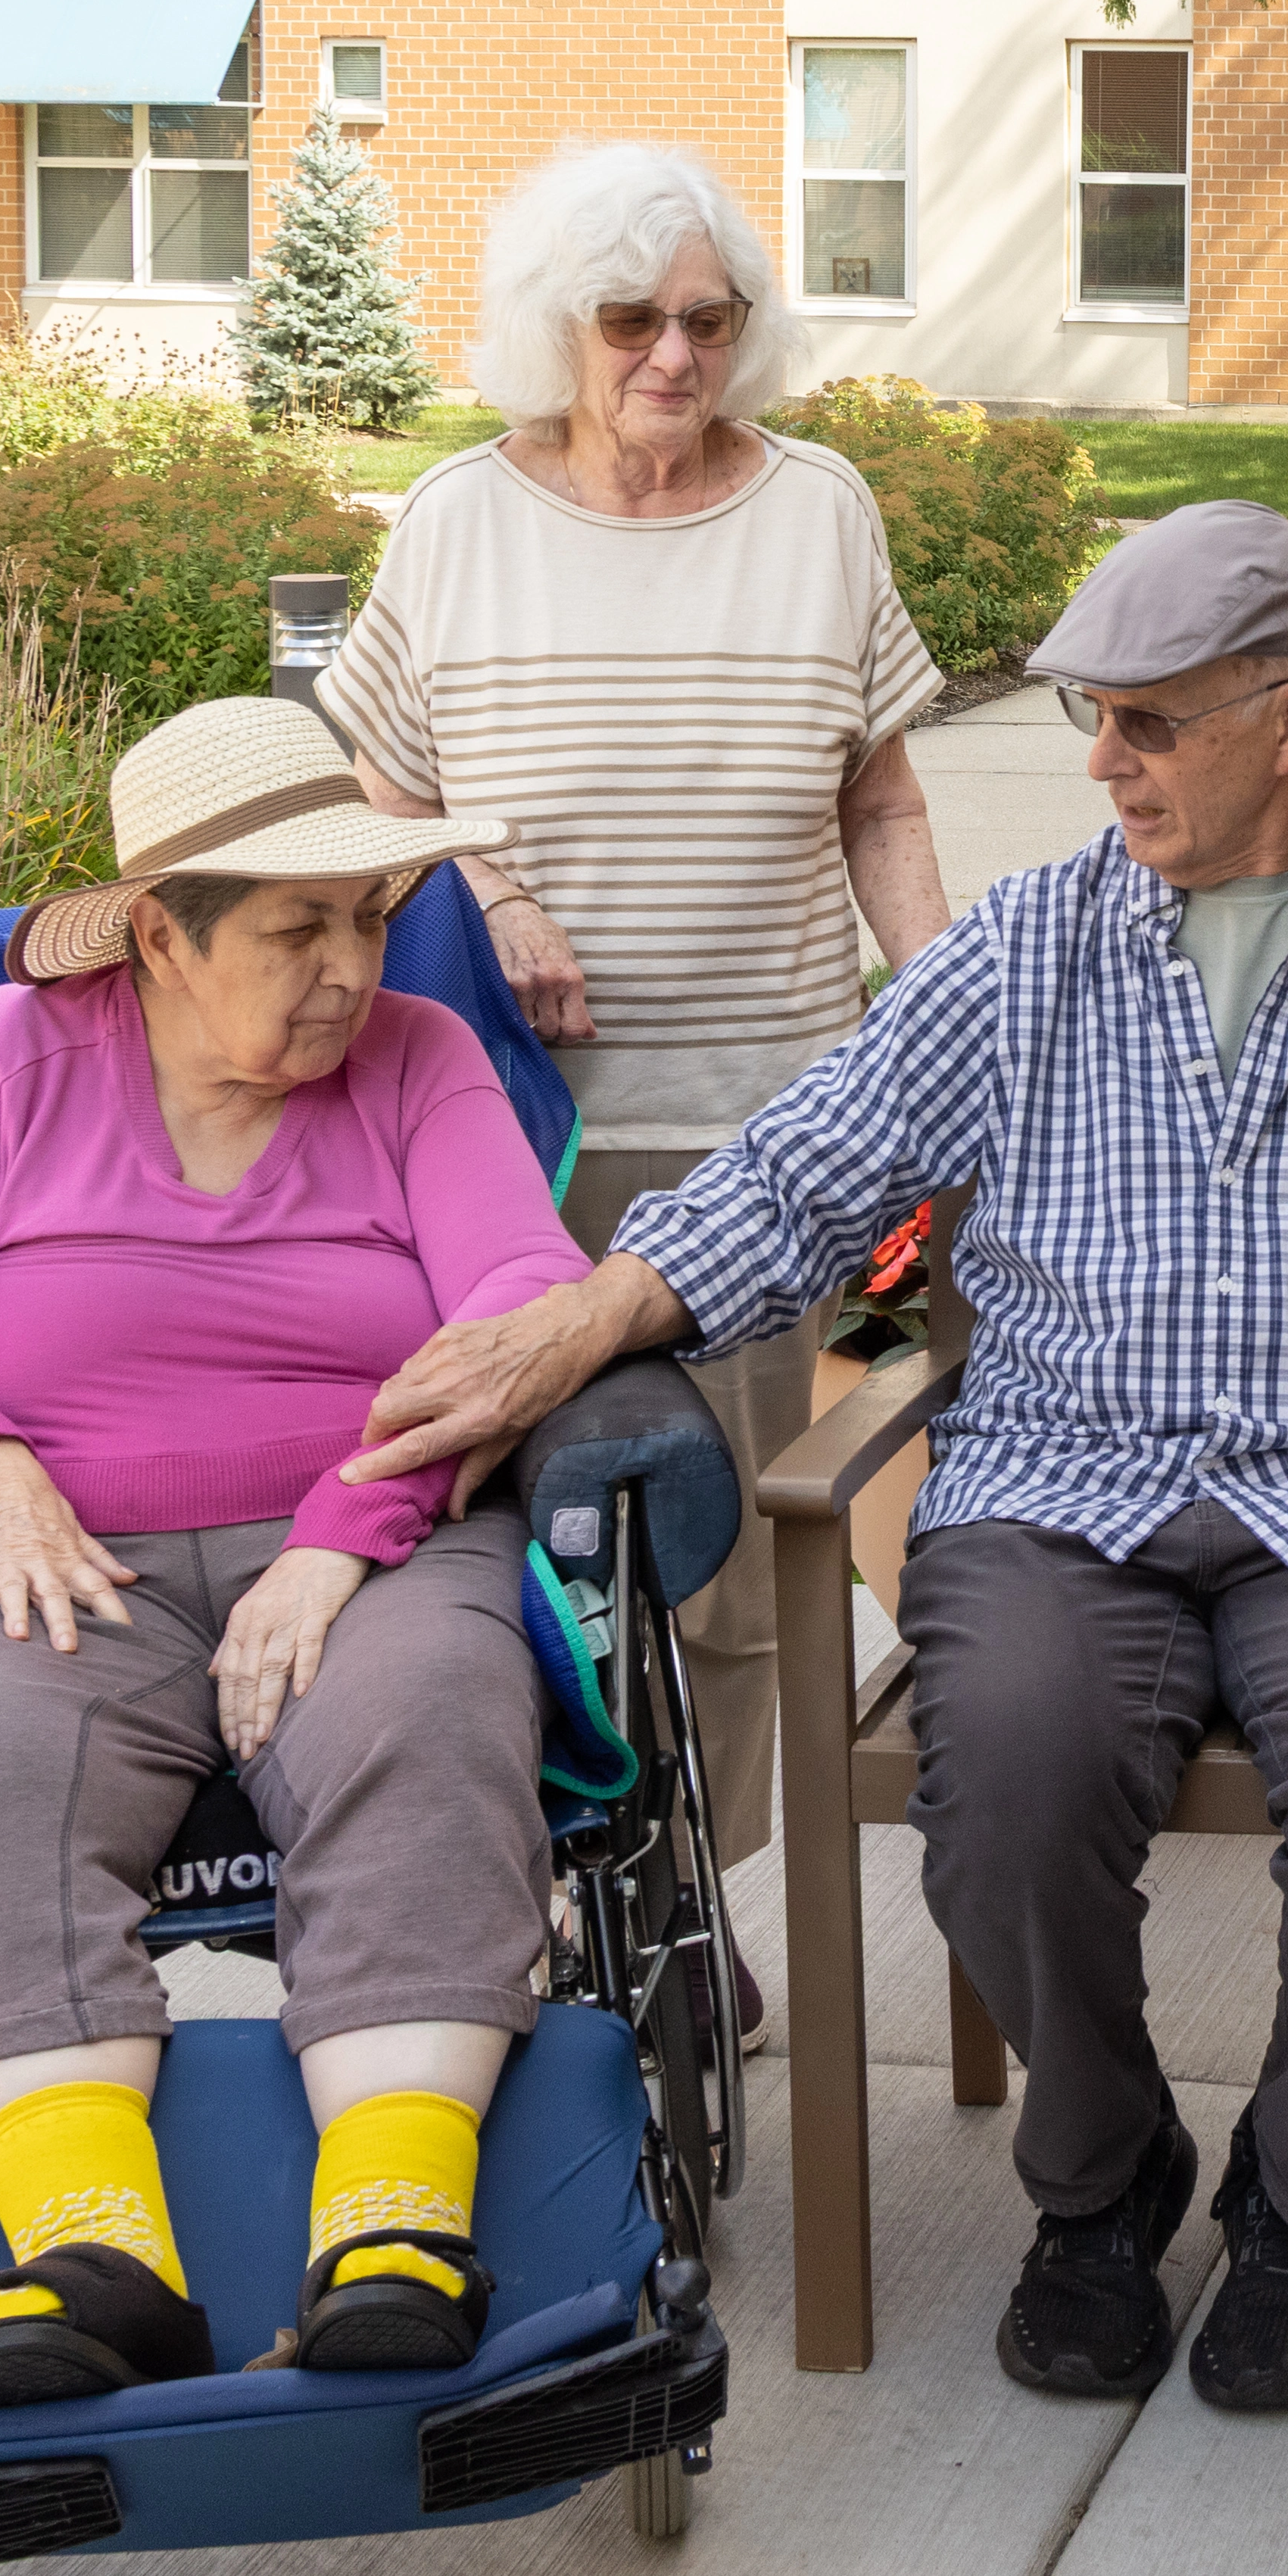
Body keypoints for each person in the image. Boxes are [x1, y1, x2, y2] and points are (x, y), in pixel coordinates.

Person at [344, 500, 1288, 2421]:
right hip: (1058, 1476)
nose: (1097, 761)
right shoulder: (1030, 944)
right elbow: (800, 1169)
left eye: (1142, 722)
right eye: (1088, 719)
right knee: (1014, 1769)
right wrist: (572, 1319)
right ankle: (1104, 2173)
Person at [0, 696, 580, 2406]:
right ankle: (94, 2249)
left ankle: (394, 2221)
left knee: (428, 1711)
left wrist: (346, 1534)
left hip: (372, 1541)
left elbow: (518, 1302)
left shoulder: (420, 1059)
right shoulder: (7, 1063)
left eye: (368, 917)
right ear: (158, 935)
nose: (350, 966)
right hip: (51, 1553)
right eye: (296, 928)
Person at [323, 142, 953, 1997]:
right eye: (630, 319)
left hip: (765, 1135)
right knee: (513, 1540)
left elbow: (880, 792)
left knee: (738, 1561)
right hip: (508, 1143)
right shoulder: (458, 518)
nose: (674, 354)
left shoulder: (818, 509)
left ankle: (693, 1915)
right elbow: (371, 772)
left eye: (707, 317)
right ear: (558, 331)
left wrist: (952, 1014)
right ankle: (522, 1902)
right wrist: (489, 883)